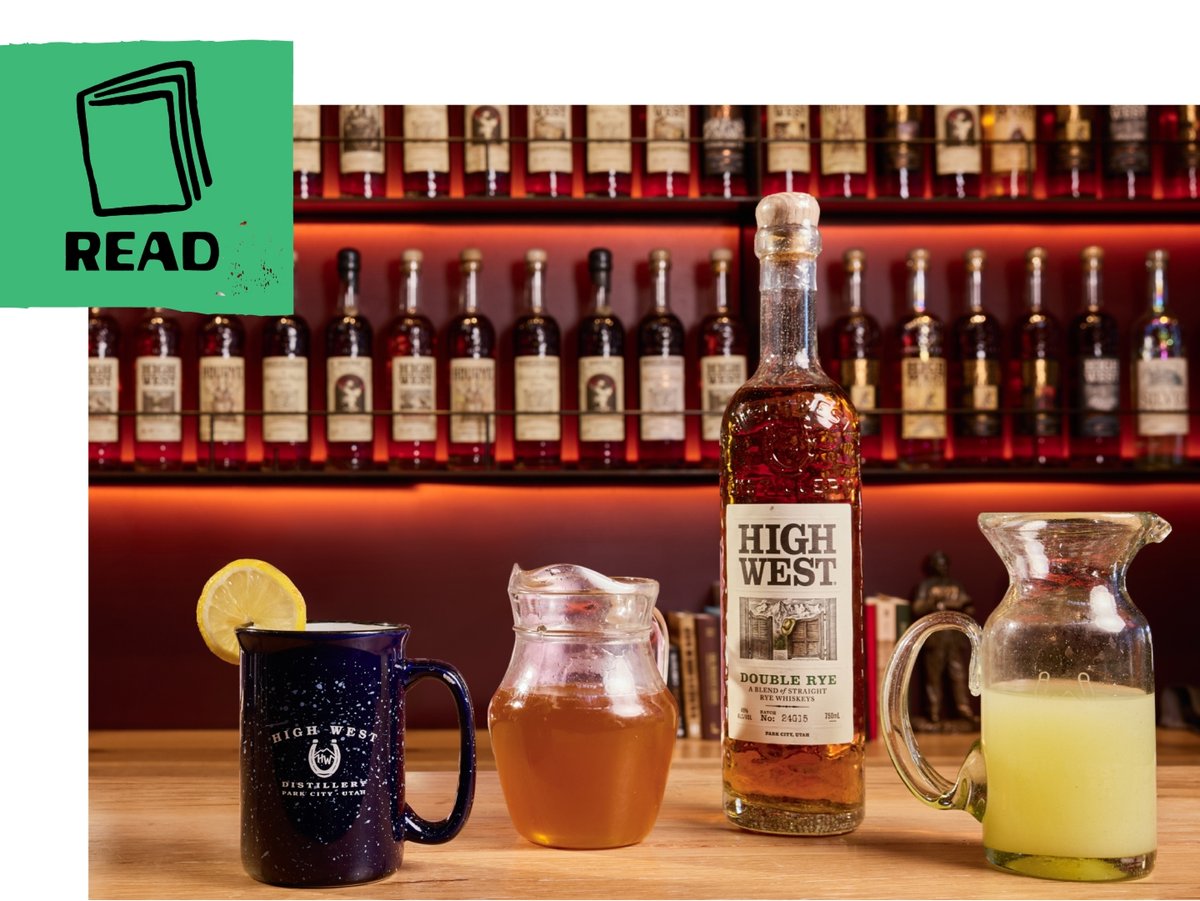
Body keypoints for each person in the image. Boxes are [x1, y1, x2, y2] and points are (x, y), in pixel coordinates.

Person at [912, 551, 979, 726]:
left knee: (958, 675)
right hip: (934, 637)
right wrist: (934, 604)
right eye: (938, 563)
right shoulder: (926, 585)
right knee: (933, 677)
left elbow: (968, 604)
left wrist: (963, 606)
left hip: (954, 637)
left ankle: (964, 710)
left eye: (944, 563)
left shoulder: (956, 584)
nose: (942, 567)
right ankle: (933, 713)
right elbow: (917, 607)